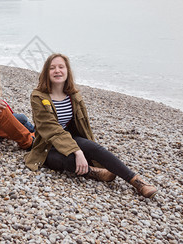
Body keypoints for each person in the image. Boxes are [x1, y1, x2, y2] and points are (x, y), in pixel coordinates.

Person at [25, 53, 158, 198]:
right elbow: (51, 129)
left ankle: (137, 181)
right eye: (52, 68)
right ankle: (93, 172)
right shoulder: (38, 96)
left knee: (95, 148)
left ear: (67, 71)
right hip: (47, 145)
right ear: (46, 73)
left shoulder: (74, 96)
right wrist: (77, 150)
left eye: (61, 67)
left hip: (69, 137)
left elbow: (84, 127)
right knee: (67, 159)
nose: (57, 71)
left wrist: (86, 148)